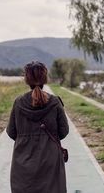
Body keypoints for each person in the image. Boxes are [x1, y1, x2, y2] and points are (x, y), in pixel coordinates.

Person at [6, 60, 69, 193]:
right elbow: (64, 131)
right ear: (44, 78)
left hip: (23, 157)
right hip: (51, 158)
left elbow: (11, 132)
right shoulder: (55, 101)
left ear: (26, 79)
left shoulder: (18, 102)